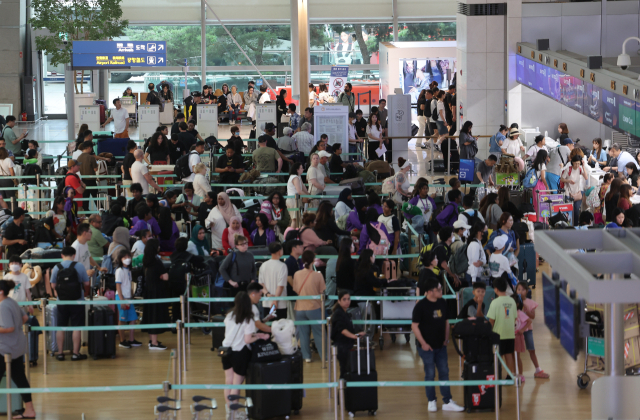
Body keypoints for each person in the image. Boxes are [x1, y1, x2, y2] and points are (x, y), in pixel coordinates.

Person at [412, 277, 464, 412]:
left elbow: (446, 321)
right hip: (426, 347)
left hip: (441, 346)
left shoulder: (442, 303)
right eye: (439, 289)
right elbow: (415, 326)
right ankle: (431, 400)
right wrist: (423, 343)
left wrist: (446, 338)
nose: (441, 291)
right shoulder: (420, 306)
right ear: (430, 291)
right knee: (429, 373)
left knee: (444, 372)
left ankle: (447, 401)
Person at [221, 291, 270, 418]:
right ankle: (235, 413)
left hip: (226, 350)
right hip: (239, 352)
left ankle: (229, 412)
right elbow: (247, 339)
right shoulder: (248, 318)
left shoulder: (229, 315)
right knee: (237, 383)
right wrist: (259, 336)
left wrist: (256, 335)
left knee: (228, 382)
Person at [0, 279, 37, 419]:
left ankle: (30, 409)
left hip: (5, 349)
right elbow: (25, 317)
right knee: (19, 377)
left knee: (19, 377)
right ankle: (29, 409)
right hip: (16, 346)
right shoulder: (12, 302)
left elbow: (8, 328)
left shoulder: (3, 306)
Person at [50, 246, 92, 361]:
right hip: (77, 301)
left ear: (62, 255)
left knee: (61, 327)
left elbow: (53, 285)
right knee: (76, 327)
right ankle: (75, 353)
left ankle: (60, 353)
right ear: (74, 255)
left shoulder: (56, 267)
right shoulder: (79, 266)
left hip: (62, 301)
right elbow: (87, 283)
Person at [291, 249, 327, 363]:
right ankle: (324, 357)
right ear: (313, 261)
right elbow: (322, 291)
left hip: (299, 308)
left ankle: (306, 357)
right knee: (319, 333)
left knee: (303, 334)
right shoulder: (318, 275)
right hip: (314, 307)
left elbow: (296, 289)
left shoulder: (296, 274)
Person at [139, 238, 169, 350]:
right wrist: (162, 276)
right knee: (156, 315)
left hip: (148, 292)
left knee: (150, 315)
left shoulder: (145, 261)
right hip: (157, 292)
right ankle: (154, 343)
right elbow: (166, 277)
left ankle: (152, 340)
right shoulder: (157, 262)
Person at [516, 281, 549, 379]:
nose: (520, 292)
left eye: (523, 290)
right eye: (518, 289)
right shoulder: (514, 301)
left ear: (527, 291)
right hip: (517, 330)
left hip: (528, 329)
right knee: (517, 352)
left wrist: (526, 309)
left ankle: (538, 370)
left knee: (531, 349)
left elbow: (533, 316)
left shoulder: (530, 302)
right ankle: (518, 373)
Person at [487, 276, 517, 377]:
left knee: (498, 356)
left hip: (498, 334)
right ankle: (510, 375)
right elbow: (515, 317)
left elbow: (491, 320)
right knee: (509, 354)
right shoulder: (512, 301)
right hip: (510, 333)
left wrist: (488, 333)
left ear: (495, 289)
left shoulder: (494, 302)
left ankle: (497, 375)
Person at [331, 291, 362, 378]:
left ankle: (343, 389)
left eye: (348, 299)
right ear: (339, 301)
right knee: (345, 370)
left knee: (346, 370)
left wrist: (356, 334)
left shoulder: (344, 313)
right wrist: (354, 336)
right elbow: (342, 330)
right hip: (342, 346)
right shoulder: (338, 314)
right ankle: (342, 390)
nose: (347, 301)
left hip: (345, 345)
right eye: (344, 299)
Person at [114, 249, 140, 348]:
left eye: (129, 257)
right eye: (125, 257)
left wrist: (131, 296)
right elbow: (118, 286)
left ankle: (131, 339)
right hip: (122, 297)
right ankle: (122, 340)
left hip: (128, 298)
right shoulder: (119, 270)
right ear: (120, 259)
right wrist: (122, 300)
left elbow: (129, 284)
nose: (127, 259)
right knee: (122, 319)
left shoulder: (129, 270)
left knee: (133, 318)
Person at [259, 242, 289, 319]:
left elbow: (261, 284)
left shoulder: (263, 265)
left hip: (266, 302)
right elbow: (281, 286)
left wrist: (268, 294)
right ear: (279, 251)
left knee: (268, 326)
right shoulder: (282, 266)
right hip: (280, 303)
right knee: (280, 327)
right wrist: (275, 300)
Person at [560, 154, 589, 222]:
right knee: (569, 211)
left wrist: (583, 166)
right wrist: (569, 181)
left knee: (576, 211)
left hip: (577, 193)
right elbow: (562, 179)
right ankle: (569, 226)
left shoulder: (579, 168)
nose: (577, 165)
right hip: (568, 193)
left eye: (579, 163)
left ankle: (575, 226)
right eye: (576, 163)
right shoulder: (568, 170)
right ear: (572, 162)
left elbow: (586, 177)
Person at [531, 149, 550, 216]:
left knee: (536, 203)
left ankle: (536, 219)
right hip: (541, 185)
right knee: (542, 203)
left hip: (535, 185)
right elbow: (542, 177)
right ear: (544, 157)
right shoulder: (542, 165)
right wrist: (547, 187)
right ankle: (542, 220)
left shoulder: (536, 163)